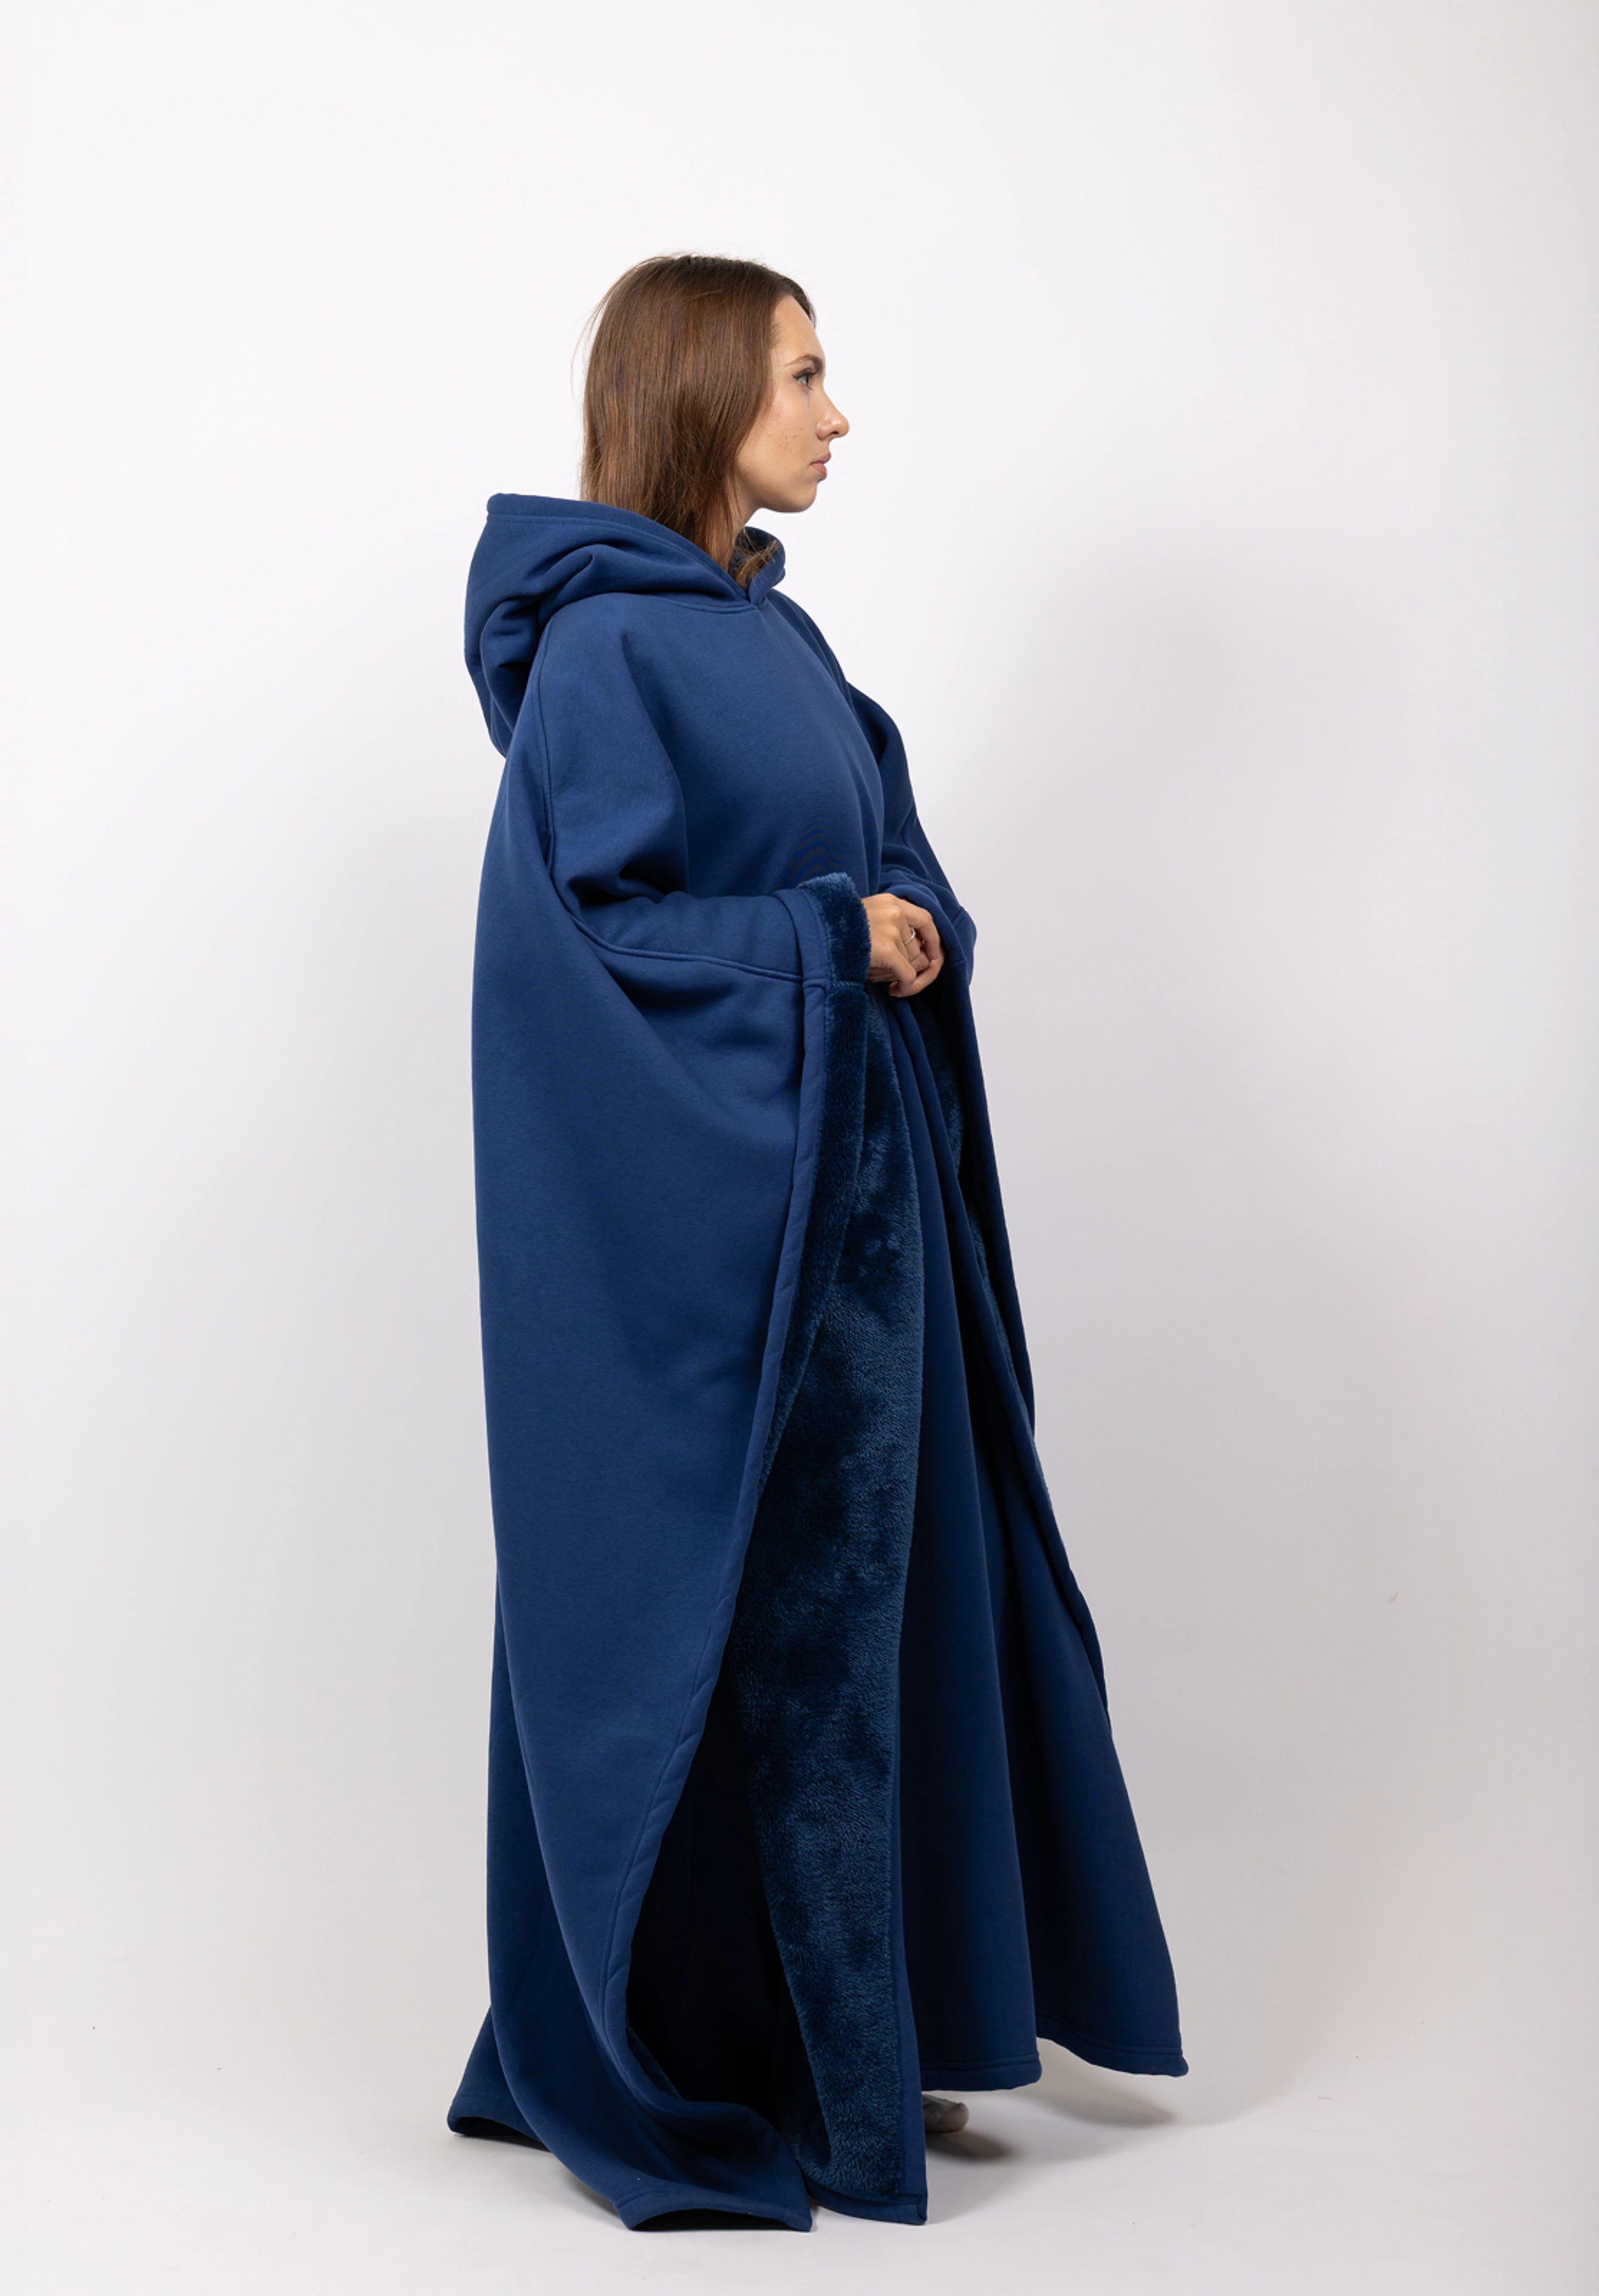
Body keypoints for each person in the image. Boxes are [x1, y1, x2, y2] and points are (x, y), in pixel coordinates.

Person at [446, 253, 1185, 2231]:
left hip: (865, 1211)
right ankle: (785, 2073)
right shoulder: (609, 653)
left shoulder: (781, 637)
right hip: (747, 1259)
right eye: (802, 375)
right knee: (783, 1648)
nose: (836, 414)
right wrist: (822, 936)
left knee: (883, 1628)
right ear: (705, 393)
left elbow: (873, 867)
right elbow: (595, 943)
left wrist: (900, 918)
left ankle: (843, 2035)